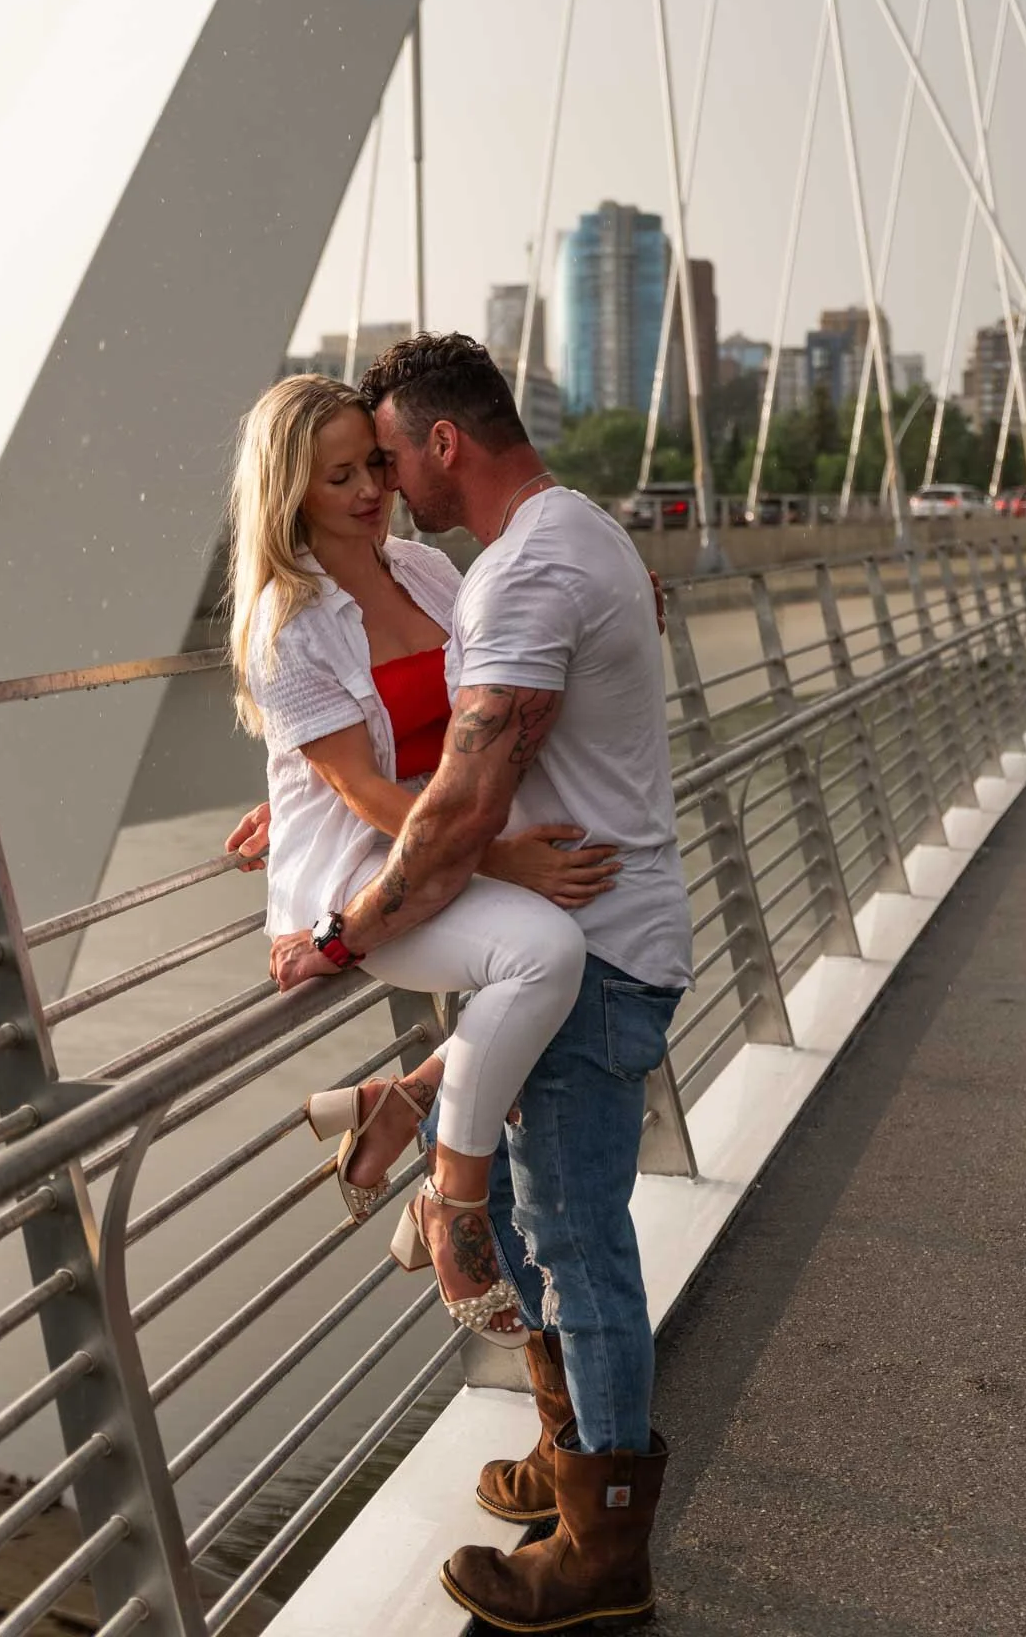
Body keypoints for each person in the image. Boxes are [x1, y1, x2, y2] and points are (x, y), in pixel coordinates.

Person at [270, 333, 693, 1633]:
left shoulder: (516, 574)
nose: (385, 483)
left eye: (386, 455)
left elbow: (458, 804)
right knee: (532, 1223)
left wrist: (339, 938)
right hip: (594, 928)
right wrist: (295, 804)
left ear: (440, 444)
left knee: (573, 1246)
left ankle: (600, 1552)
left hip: (598, 944)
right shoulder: (574, 534)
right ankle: (568, 1470)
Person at [225, 371, 622, 1345]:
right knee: (545, 956)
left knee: (602, 930)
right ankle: (453, 1208)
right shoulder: (287, 629)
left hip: (444, 847)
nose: (369, 490)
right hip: (370, 884)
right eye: (337, 478)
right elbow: (365, 792)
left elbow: (477, 711)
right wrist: (501, 861)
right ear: (288, 495)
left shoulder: (428, 573)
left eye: (373, 465)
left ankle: (402, 1101)